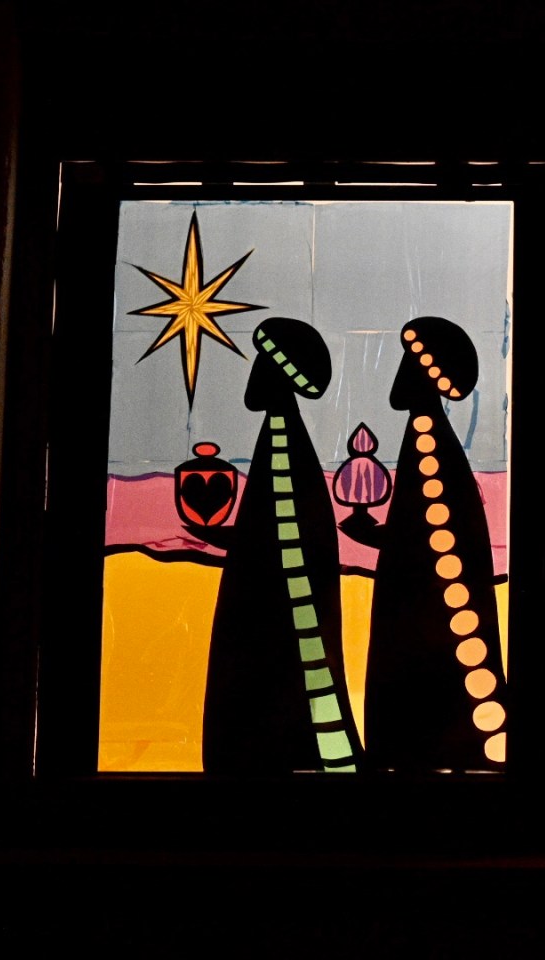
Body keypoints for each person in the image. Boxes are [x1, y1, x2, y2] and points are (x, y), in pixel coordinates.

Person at [193, 317, 364, 773]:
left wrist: (234, 544)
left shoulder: (284, 443)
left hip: (280, 619)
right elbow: (273, 531)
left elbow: (282, 536)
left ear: (280, 372)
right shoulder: (279, 438)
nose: (253, 375)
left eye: (262, 363)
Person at [340, 316, 508, 773]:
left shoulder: (429, 440)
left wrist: (376, 537)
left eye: (408, 363)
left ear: (426, 371)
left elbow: (433, 534)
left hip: (429, 611)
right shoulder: (427, 436)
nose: (398, 376)